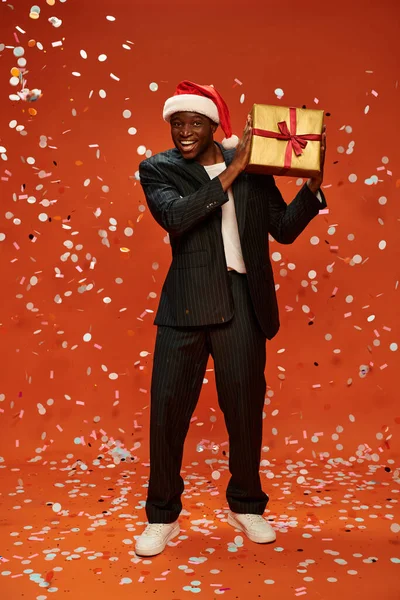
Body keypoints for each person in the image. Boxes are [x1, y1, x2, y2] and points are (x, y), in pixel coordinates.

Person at [135, 80, 327, 557]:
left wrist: (311, 189)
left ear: (213, 124)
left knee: (244, 410)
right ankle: (162, 518)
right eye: (176, 123)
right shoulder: (158, 169)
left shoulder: (255, 169)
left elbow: (281, 231)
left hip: (242, 300)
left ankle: (246, 505)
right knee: (167, 413)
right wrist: (232, 170)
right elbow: (177, 218)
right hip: (185, 303)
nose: (183, 131)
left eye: (193, 123)